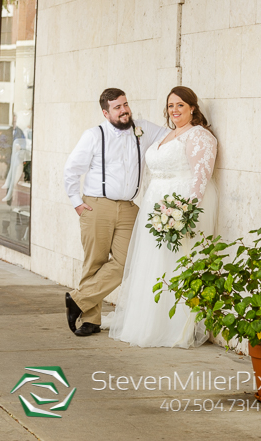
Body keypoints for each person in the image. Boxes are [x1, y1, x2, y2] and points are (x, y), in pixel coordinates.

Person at [106, 86, 218, 348]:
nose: (175, 110)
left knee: (175, 263)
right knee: (153, 264)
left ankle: (174, 327)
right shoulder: (169, 135)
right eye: (170, 106)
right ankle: (148, 321)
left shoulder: (199, 136)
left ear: (192, 107)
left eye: (180, 105)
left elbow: (201, 177)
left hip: (178, 209)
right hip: (155, 209)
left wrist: (184, 214)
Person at [63, 88, 169, 337]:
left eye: (125, 104)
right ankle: (91, 321)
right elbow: (71, 169)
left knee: (128, 262)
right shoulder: (93, 135)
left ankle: (78, 299)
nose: (124, 110)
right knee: (94, 263)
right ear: (105, 112)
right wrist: (76, 202)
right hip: (97, 206)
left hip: (129, 208)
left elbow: (171, 136)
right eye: (117, 107)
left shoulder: (142, 128)